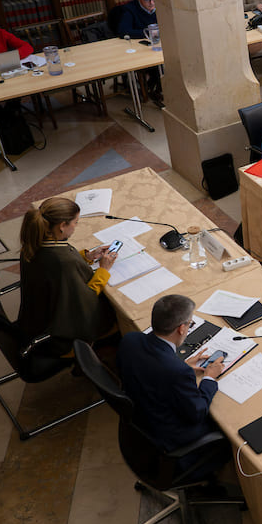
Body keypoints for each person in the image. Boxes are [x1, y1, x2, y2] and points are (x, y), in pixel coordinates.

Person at [117, 294, 227, 475]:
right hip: (171, 442)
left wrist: (181, 366)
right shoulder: (176, 372)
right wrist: (209, 377)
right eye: (191, 324)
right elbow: (198, 412)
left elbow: (146, 370)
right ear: (182, 329)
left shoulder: (130, 340)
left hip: (140, 427)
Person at [18, 196, 119, 346]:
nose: (75, 226)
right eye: (75, 222)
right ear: (62, 226)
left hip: (35, 317)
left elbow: (59, 266)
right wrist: (103, 269)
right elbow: (86, 300)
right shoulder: (64, 261)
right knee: (119, 316)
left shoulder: (33, 242)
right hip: (62, 334)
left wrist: (87, 256)